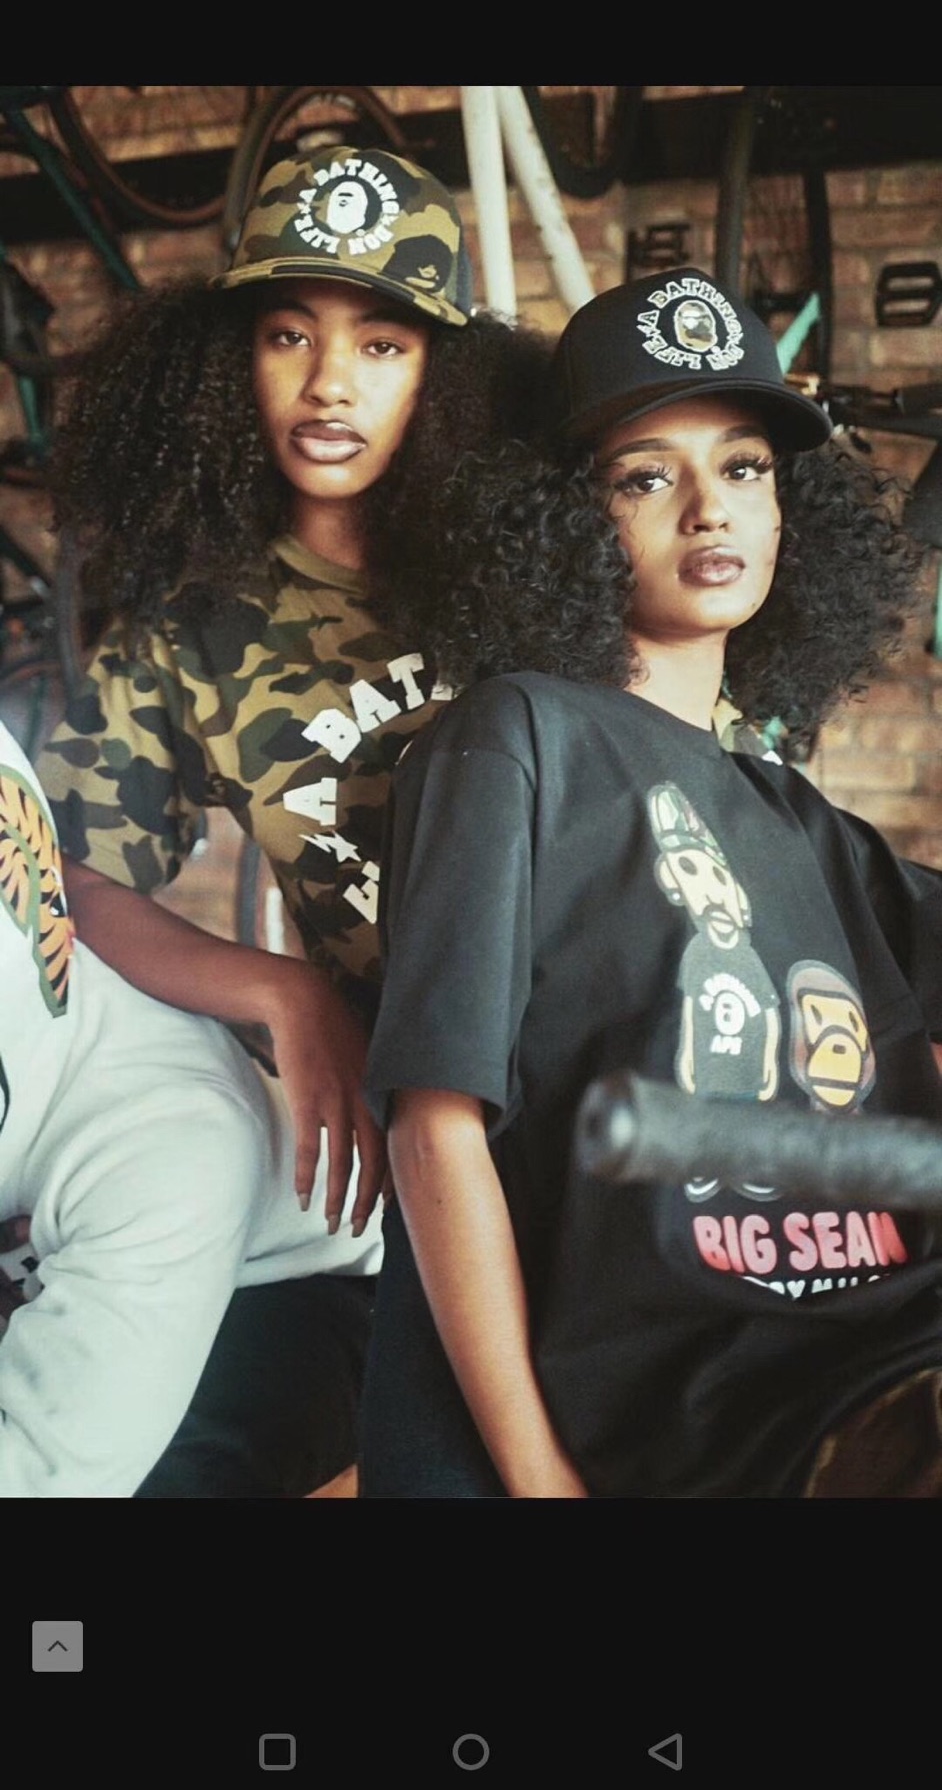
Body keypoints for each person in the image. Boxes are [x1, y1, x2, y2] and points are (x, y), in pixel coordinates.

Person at [360, 265, 942, 1499]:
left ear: (789, 514)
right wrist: (536, 1480)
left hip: (906, 1342)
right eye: (644, 476)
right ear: (567, 522)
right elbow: (436, 1127)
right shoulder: (514, 740)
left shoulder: (805, 823)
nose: (709, 508)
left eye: (745, 467)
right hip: (734, 1409)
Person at [35, 146, 550, 1496]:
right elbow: (70, 878)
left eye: (381, 345)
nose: (329, 384)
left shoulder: (536, 580)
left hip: (602, 1093)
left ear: (444, 378)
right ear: (226, 367)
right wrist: (280, 991)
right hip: (413, 1144)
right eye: (286, 335)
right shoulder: (193, 629)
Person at [0, 714, 372, 1496]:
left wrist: (290, 993)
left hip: (287, 1283)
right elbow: (75, 878)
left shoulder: (166, 1154)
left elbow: (40, 1481)